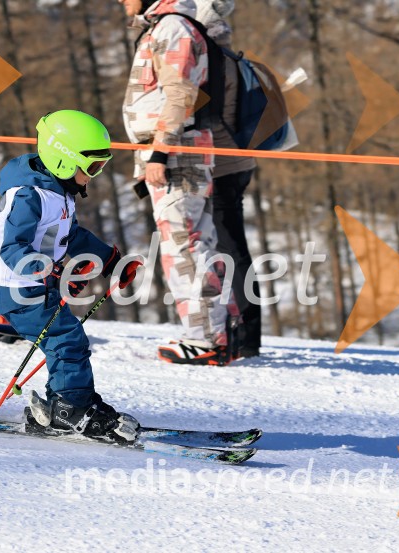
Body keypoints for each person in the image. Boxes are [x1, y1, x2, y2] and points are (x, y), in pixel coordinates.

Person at [0, 110, 143, 443]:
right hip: (16, 289)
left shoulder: (58, 192)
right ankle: (71, 409)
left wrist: (111, 261)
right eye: (92, 167)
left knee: (65, 341)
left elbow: (71, 236)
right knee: (67, 341)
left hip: (36, 287)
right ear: (64, 161)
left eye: (102, 166)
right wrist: (46, 267)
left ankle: (69, 402)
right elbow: (11, 247)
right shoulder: (28, 195)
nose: (95, 175)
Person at [117, 0, 239, 365]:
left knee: (184, 248)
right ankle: (220, 332)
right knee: (196, 243)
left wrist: (160, 152)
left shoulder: (173, 27)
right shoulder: (165, 26)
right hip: (177, 148)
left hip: (176, 150)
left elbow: (181, 93)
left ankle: (205, 338)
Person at [194, 0, 261, 358]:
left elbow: (204, 114)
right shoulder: (231, 57)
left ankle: (247, 335)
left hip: (222, 165)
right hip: (237, 162)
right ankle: (243, 329)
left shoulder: (214, 61)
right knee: (231, 248)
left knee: (232, 250)